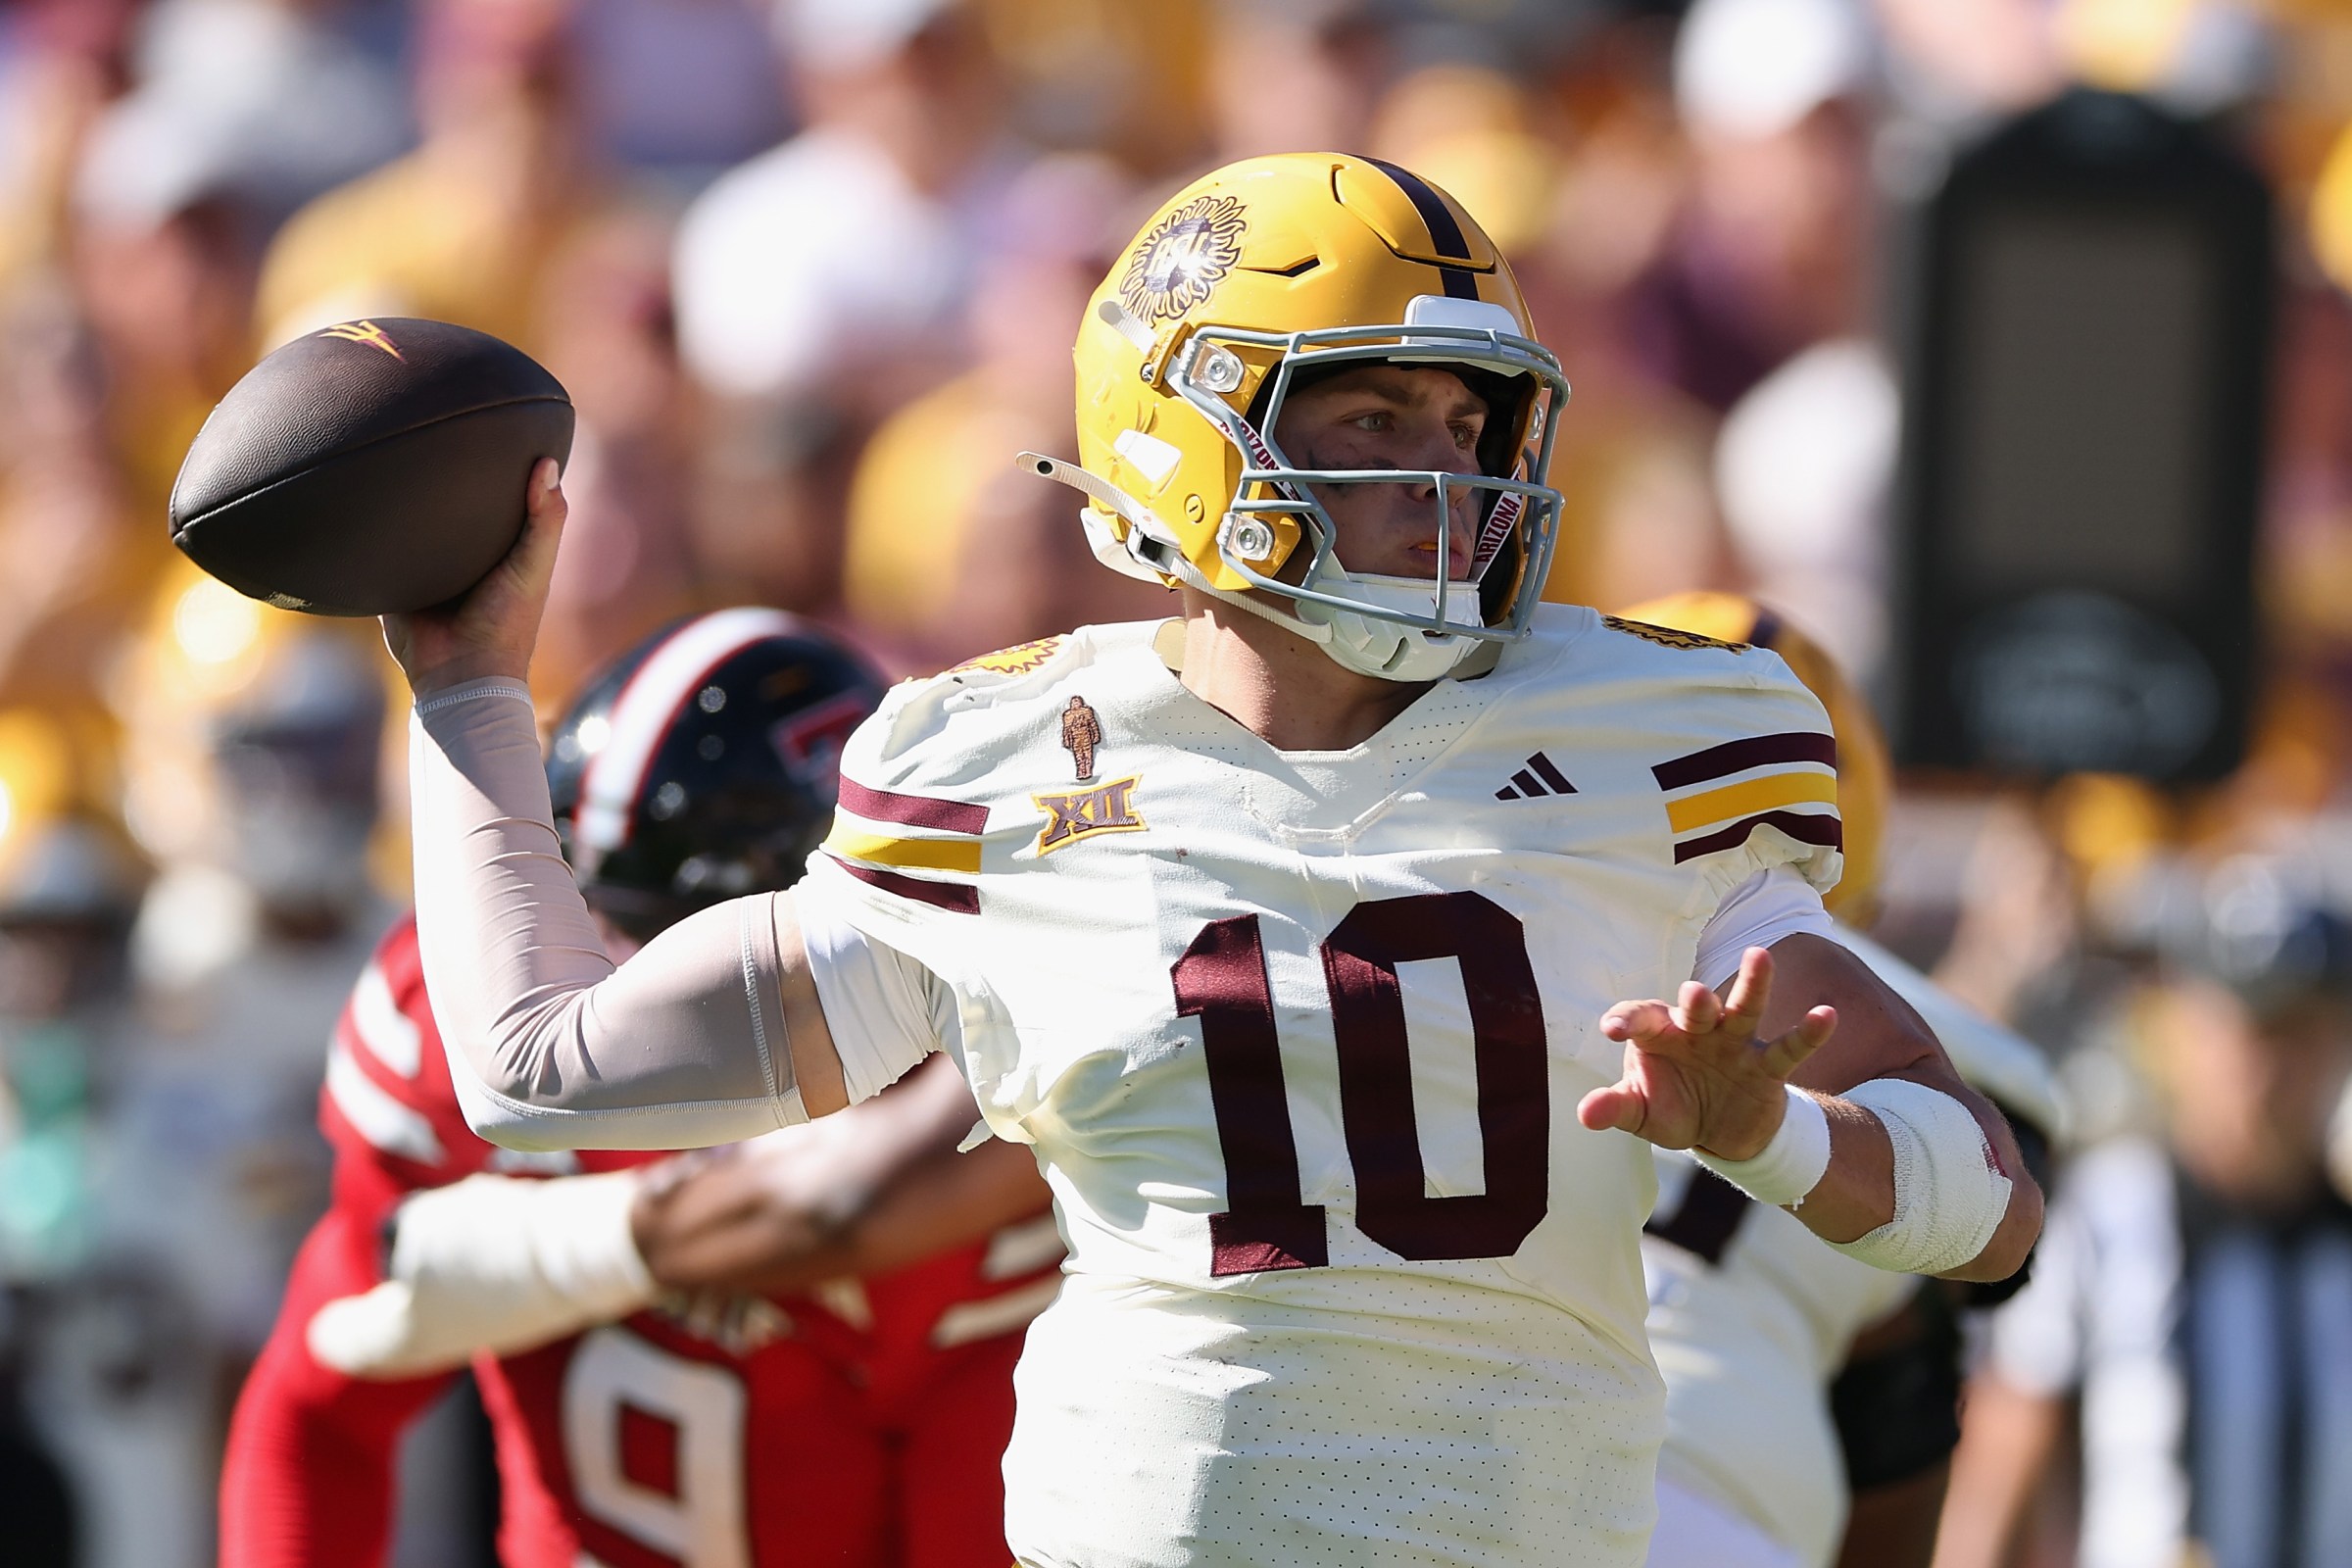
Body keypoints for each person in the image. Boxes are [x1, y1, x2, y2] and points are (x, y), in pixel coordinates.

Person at [387, 153, 2042, 1566]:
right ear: (1191, 434)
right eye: (1381, 409)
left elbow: (1990, 1214)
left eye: (1472, 418)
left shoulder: (1656, 734)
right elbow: (540, 1069)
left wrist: (1775, 1135)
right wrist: (466, 691)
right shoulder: (998, 764)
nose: (1449, 472)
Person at [220, 612, 1057, 1568]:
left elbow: (839, 1204)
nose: (596, 966)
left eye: (654, 925)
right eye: (574, 891)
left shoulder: (989, 1036)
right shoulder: (452, 1028)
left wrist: (569, 1240)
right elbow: (321, 1405)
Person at [1621, 593, 2063, 1568]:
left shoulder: (1465, 920)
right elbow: (1900, 1415)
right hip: (1730, 1504)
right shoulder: (1954, 1049)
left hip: (1446, 1475)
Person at [1934, 858, 2352, 1568]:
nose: (2267, 1067)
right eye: (2246, 1029)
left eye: (2298, 1031)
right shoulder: (2110, 1213)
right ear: (2184, 1028)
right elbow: (2004, 1459)